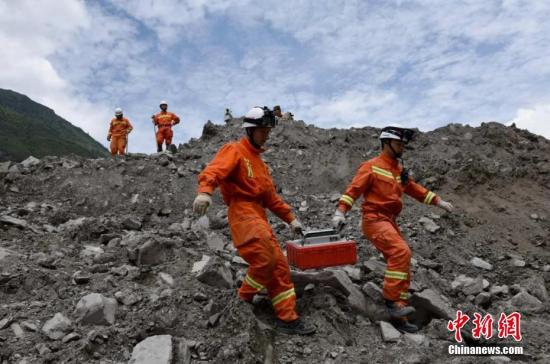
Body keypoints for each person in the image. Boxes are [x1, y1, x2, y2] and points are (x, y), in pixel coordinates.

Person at [193, 106, 316, 335]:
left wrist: (292, 220)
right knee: (266, 259)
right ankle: (244, 298)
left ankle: (287, 318)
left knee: (279, 266)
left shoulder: (260, 164)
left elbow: (271, 198)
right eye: (263, 130)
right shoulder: (235, 150)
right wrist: (205, 191)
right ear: (250, 130)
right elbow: (215, 170)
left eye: (268, 130)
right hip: (242, 213)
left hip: (259, 216)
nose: (267, 134)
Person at [331, 126, 454, 333]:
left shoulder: (398, 170)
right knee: (401, 252)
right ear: (386, 144)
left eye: (403, 145)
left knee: (403, 259)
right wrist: (340, 211)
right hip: (374, 220)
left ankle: (400, 311)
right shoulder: (371, 166)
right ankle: (390, 300)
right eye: (398, 144)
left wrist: (438, 201)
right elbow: (353, 190)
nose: (402, 149)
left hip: (389, 221)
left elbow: (414, 189)